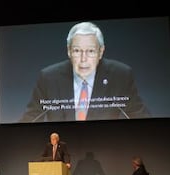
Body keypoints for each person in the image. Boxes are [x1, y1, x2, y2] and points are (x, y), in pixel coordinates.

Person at [19, 21, 150, 123]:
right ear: (69, 51)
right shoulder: (48, 78)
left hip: (106, 143)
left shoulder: (120, 76)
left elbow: (141, 118)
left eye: (91, 51)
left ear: (101, 52)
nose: (83, 59)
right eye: (77, 51)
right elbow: (30, 119)